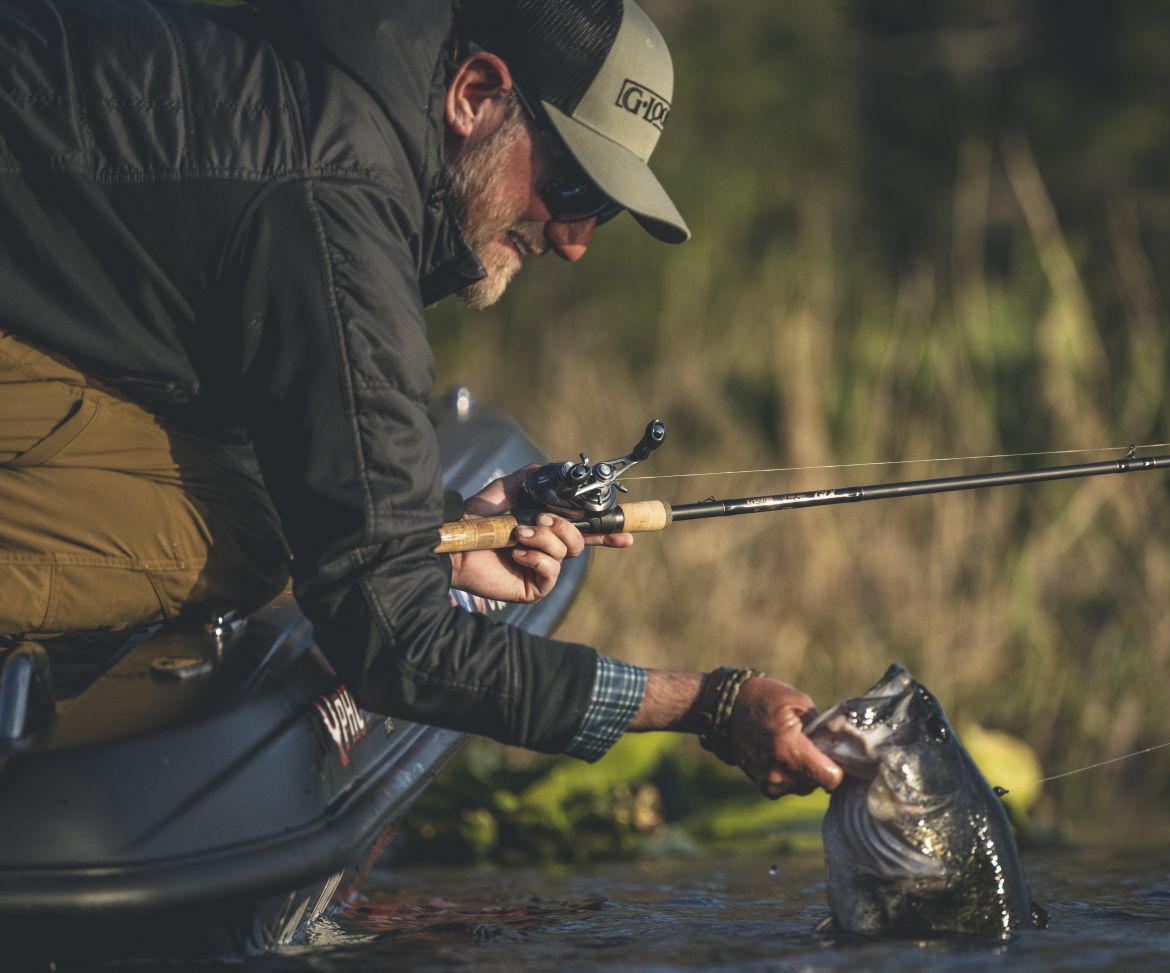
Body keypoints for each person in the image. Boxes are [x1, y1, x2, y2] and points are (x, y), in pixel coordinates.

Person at [0, 0, 842, 798]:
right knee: (250, 537)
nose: (576, 241)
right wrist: (710, 703)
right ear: (474, 95)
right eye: (576, 189)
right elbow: (395, 639)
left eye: (605, 212)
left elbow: (290, 423)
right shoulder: (340, 202)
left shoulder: (325, 96)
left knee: (273, 507)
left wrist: (436, 531)